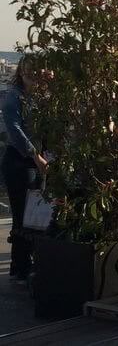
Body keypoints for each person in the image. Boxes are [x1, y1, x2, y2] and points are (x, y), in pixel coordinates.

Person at [1, 56, 48, 282]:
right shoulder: (14, 97)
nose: (32, 74)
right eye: (28, 69)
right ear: (20, 72)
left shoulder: (40, 98)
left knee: (33, 215)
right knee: (22, 215)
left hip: (36, 160)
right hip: (19, 161)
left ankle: (23, 264)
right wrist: (35, 155)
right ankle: (21, 267)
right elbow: (14, 129)